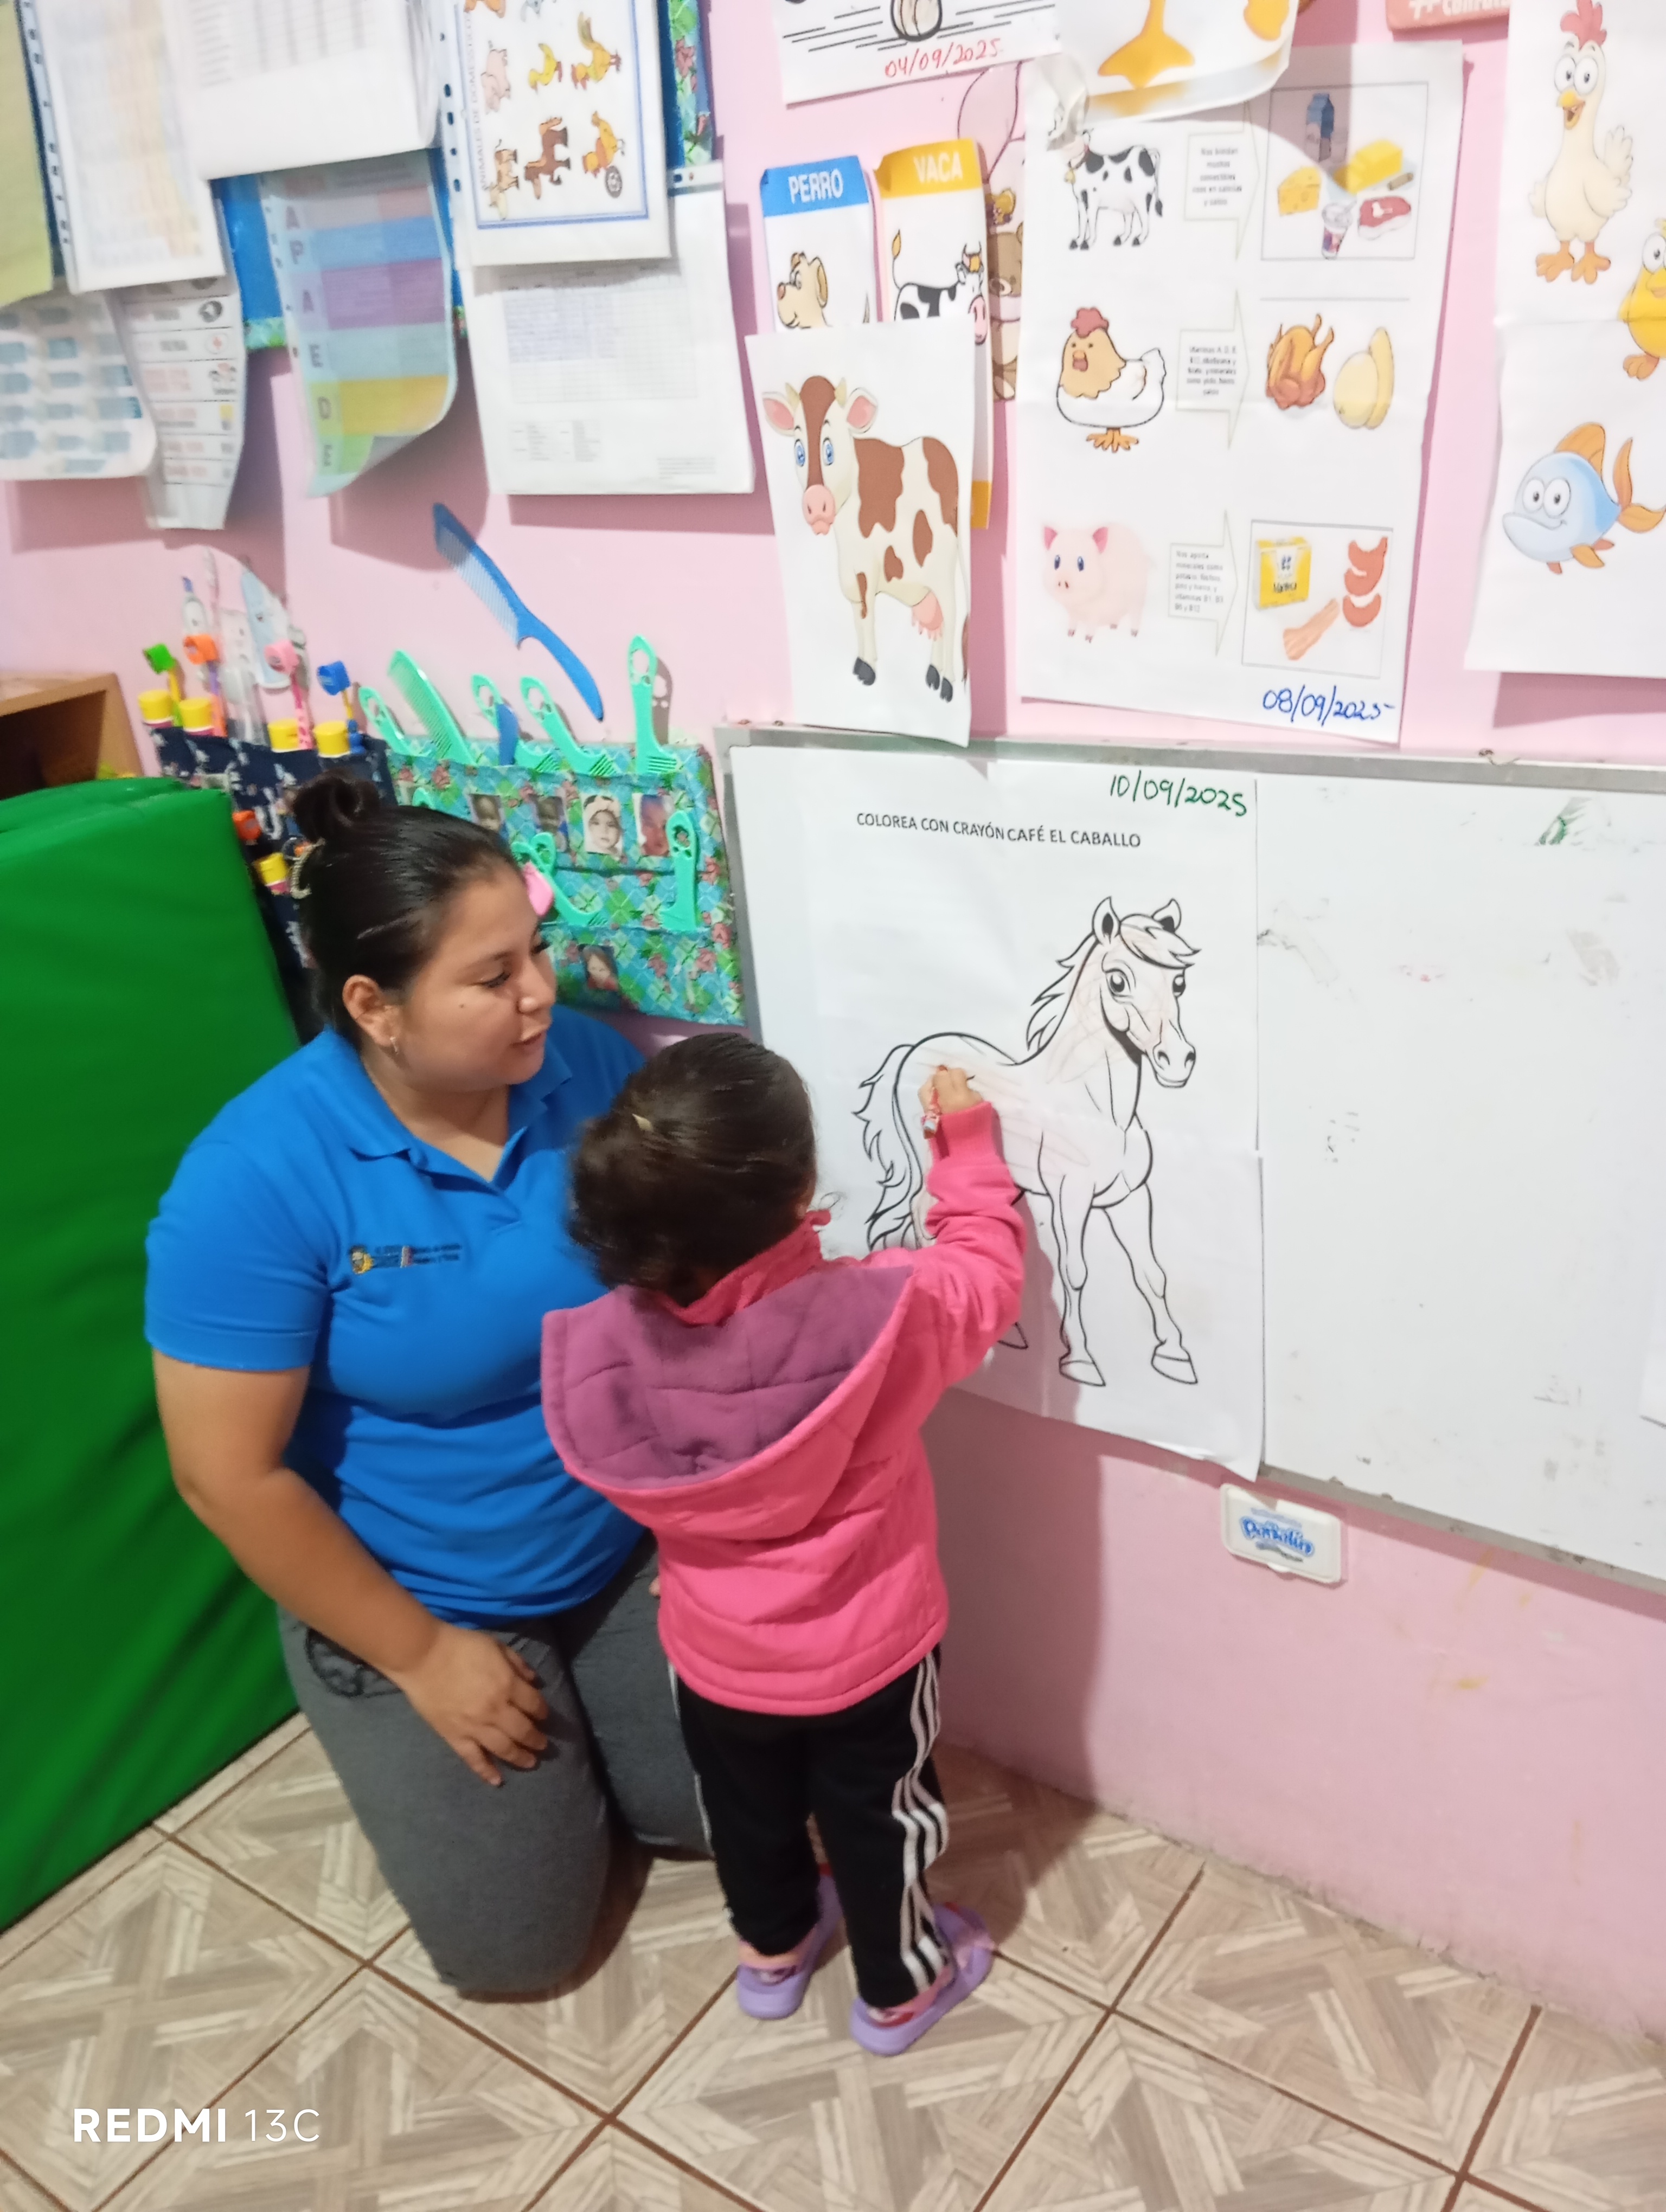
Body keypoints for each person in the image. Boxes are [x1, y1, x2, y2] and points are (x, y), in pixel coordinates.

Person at [145, 773, 704, 1997]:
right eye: (493, 975)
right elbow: (225, 1475)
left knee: (726, 1809)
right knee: (522, 1953)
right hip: (424, 1587)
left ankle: (604, 1736)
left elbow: (671, 1294)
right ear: (373, 1006)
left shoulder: (587, 1070)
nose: (541, 991)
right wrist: (422, 1656)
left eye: (536, 950)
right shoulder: (256, 1178)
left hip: (613, 1541)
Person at [541, 1033, 1026, 2054]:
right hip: (870, 1657)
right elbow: (985, 1276)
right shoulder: (882, 1313)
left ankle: (773, 1955)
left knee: (745, 1812)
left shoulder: (609, 1343)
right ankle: (900, 1990)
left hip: (714, 1655)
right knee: (881, 1821)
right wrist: (965, 1142)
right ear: (801, 1188)